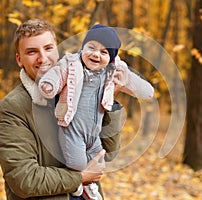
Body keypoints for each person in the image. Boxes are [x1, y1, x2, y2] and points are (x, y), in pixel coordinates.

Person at [0, 19, 124, 200]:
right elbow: (24, 179)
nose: (43, 58)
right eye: (32, 52)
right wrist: (81, 177)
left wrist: (109, 99)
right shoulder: (14, 106)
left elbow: (108, 152)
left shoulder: (78, 87)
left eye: (48, 48)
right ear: (19, 59)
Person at [38, 24, 154, 199]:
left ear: (112, 57)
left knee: (98, 162)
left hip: (94, 132)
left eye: (103, 52)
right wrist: (49, 85)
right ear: (83, 47)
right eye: (91, 48)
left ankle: (88, 185)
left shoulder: (114, 70)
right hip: (72, 128)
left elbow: (143, 90)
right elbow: (57, 74)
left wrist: (140, 90)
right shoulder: (71, 64)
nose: (95, 54)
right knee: (76, 162)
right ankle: (76, 183)